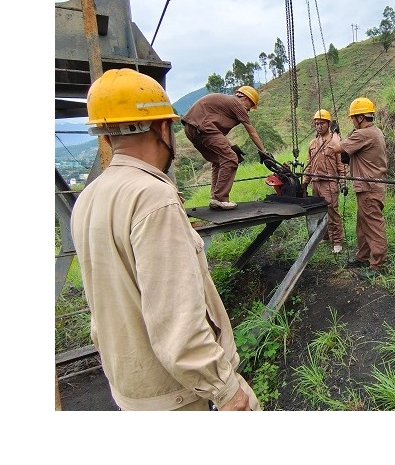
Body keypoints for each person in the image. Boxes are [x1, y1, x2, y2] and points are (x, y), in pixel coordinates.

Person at [70, 68, 260, 411]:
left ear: (105, 132)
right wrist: (226, 390)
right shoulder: (153, 197)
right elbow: (180, 323)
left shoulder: (88, 197)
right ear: (162, 127)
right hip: (177, 392)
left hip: (130, 383)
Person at [181, 86, 270, 210]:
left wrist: (232, 145)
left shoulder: (226, 103)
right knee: (230, 158)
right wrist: (263, 151)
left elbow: (217, 132)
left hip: (191, 127)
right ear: (245, 98)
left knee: (218, 160)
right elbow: (251, 131)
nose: (249, 110)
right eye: (251, 105)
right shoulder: (237, 104)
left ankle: (215, 198)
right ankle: (220, 198)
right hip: (203, 127)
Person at [331, 96, 388, 274]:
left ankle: (377, 264)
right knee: (363, 224)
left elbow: (336, 148)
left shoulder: (363, 134)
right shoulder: (376, 132)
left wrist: (334, 134)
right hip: (369, 187)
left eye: (353, 118)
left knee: (373, 224)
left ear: (360, 118)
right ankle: (362, 257)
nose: (353, 122)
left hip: (369, 188)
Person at [302, 109, 347, 253]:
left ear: (328, 124)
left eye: (321, 123)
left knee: (332, 212)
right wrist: (305, 182)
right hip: (316, 182)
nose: (318, 126)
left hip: (329, 182)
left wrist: (343, 183)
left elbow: (341, 165)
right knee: (319, 212)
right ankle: (325, 236)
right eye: (316, 124)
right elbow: (308, 165)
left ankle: (337, 241)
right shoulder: (312, 144)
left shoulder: (335, 142)